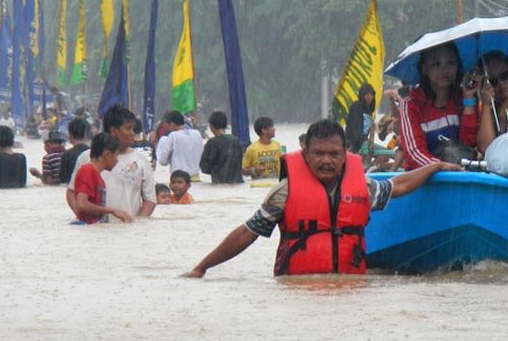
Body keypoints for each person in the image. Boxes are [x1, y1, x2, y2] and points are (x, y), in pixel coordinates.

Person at [186, 119, 461, 278]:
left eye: (334, 154)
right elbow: (247, 233)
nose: (326, 160)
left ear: (345, 155)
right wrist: (202, 267)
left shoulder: (363, 187)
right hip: (298, 296)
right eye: (318, 153)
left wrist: (434, 167)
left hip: (349, 293)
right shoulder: (285, 192)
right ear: (305, 153)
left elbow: (398, 185)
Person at [66, 105, 157, 219]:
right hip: (96, 231)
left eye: (133, 129)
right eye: (128, 128)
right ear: (114, 131)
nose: (132, 133)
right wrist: (83, 219)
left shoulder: (141, 160)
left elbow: (150, 199)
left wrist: (136, 223)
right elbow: (72, 192)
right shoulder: (87, 158)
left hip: (129, 231)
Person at [399, 42, 479, 169]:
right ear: (424, 69)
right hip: (423, 181)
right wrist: (441, 167)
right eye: (436, 64)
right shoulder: (411, 104)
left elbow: (468, 144)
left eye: (451, 62)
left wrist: (468, 98)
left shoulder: (462, 98)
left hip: (459, 176)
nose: (444, 70)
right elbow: (414, 153)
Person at [72, 133, 133, 224]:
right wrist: (112, 211)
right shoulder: (87, 171)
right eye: (116, 155)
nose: (117, 160)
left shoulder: (97, 175)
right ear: (108, 154)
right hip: (87, 229)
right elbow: (81, 205)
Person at [475, 51, 508, 154]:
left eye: (505, 75)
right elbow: (486, 148)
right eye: (493, 81)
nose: (501, 83)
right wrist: (486, 105)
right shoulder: (489, 110)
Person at [155, 110, 204, 180]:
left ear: (172, 124)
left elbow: (163, 161)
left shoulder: (173, 136)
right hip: (195, 178)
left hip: (178, 180)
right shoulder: (197, 133)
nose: (167, 128)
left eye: (167, 125)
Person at [199, 110, 244, 184]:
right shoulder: (236, 140)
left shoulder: (212, 142)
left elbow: (204, 168)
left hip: (219, 183)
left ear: (211, 126)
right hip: (238, 183)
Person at [344, 83, 377, 152]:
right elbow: (355, 128)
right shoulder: (357, 106)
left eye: (371, 94)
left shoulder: (369, 111)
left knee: (385, 154)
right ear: (362, 95)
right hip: (352, 144)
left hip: (363, 144)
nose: (369, 97)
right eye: (367, 94)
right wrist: (356, 145)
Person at [58, 117, 90, 185]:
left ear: (70, 135)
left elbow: (63, 180)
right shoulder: (93, 152)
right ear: (85, 135)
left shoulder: (66, 155)